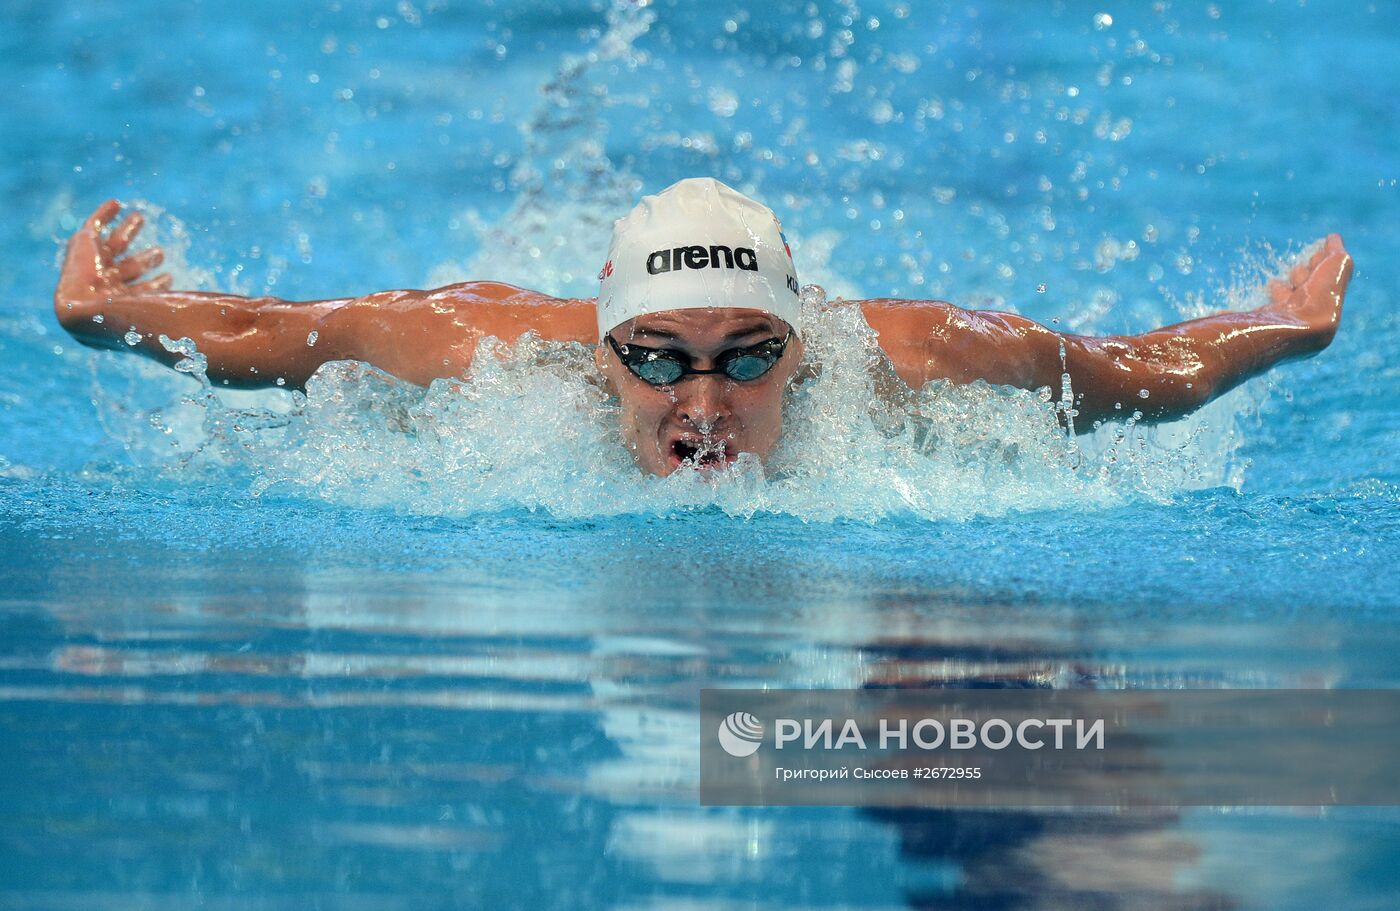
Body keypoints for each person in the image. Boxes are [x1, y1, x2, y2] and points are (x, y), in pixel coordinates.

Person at [53, 177, 1352, 477]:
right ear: (603, 350)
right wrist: (109, 316)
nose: (704, 405)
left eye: (750, 357)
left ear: (803, 347)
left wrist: (1279, 331)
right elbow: (277, 335)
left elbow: (1132, 375)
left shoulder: (910, 360)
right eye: (657, 360)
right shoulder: (485, 351)